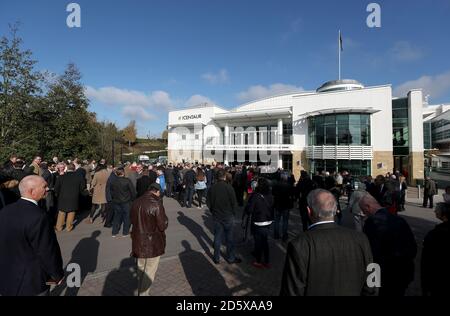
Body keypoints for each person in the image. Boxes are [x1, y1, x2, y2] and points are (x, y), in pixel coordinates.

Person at [280, 189, 376, 296]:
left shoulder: (299, 244)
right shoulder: (361, 239)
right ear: (336, 211)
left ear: (309, 211)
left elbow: (291, 291)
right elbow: (373, 280)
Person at [0, 176, 64, 296]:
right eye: (44, 186)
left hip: (7, 278)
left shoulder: (5, 211)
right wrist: (57, 274)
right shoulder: (39, 216)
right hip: (31, 282)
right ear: (31, 191)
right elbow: (47, 251)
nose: (47, 189)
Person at [359, 194, 417, 296]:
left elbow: (371, 254)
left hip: (385, 276)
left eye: (363, 210)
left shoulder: (372, 223)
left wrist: (371, 281)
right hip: (403, 273)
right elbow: (412, 247)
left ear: (368, 207)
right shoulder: (399, 220)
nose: (364, 213)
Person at [130, 183, 168, 296]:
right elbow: (162, 225)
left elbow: (131, 220)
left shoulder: (136, 201)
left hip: (138, 239)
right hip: (153, 242)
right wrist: (166, 220)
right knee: (149, 270)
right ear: (157, 191)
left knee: (141, 268)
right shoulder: (157, 203)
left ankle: (141, 290)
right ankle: (143, 294)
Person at [206, 169, 241, 264]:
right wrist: (233, 213)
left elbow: (208, 202)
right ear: (224, 177)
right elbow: (234, 203)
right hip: (227, 216)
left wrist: (212, 211)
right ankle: (230, 258)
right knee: (229, 238)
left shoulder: (212, 188)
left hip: (217, 216)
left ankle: (216, 258)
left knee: (218, 237)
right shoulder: (229, 187)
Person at [421, 203, 450, 296]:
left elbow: (427, 261)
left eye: (437, 210)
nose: (434, 211)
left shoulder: (436, 234)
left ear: (444, 215)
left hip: (438, 279)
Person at [245, 177, 274, 269]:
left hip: (258, 221)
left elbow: (250, 210)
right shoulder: (270, 195)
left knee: (258, 242)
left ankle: (258, 261)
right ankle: (267, 261)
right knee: (265, 241)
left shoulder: (255, 195)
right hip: (268, 220)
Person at [54, 163, 87, 232]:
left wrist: (57, 194)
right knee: (71, 212)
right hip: (73, 197)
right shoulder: (79, 177)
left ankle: (59, 227)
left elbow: (56, 188)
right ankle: (69, 227)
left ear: (67, 168)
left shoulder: (61, 177)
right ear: (74, 169)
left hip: (62, 196)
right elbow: (82, 188)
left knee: (62, 212)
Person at [110, 167, 136, 237]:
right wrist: (133, 199)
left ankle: (114, 232)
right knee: (126, 217)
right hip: (126, 201)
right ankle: (125, 232)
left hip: (117, 201)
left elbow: (111, 192)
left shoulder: (113, 181)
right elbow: (132, 191)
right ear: (123, 173)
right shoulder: (127, 181)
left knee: (117, 217)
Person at [272, 173, 293, 242]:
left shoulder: (276, 185)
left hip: (277, 204)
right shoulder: (289, 185)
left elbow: (273, 193)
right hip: (286, 205)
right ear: (286, 178)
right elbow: (291, 195)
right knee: (285, 221)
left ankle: (276, 234)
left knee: (277, 221)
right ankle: (284, 235)